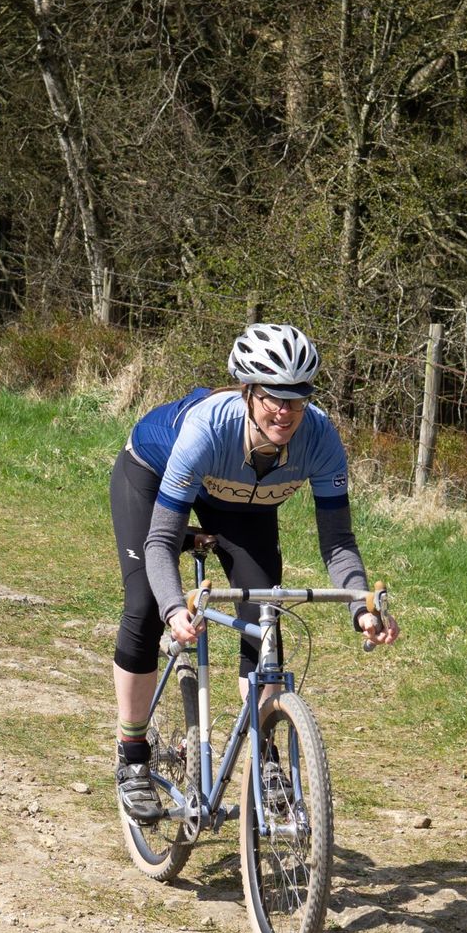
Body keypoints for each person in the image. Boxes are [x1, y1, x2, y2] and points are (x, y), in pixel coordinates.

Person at [109, 322, 399, 823]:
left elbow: (338, 542)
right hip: (153, 477)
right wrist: (174, 609)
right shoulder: (207, 429)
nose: (285, 412)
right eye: (272, 398)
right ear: (247, 391)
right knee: (145, 606)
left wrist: (362, 608)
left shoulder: (321, 440)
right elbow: (159, 542)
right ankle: (132, 755)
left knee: (264, 612)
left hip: (243, 503)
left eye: (297, 399)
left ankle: (265, 755)